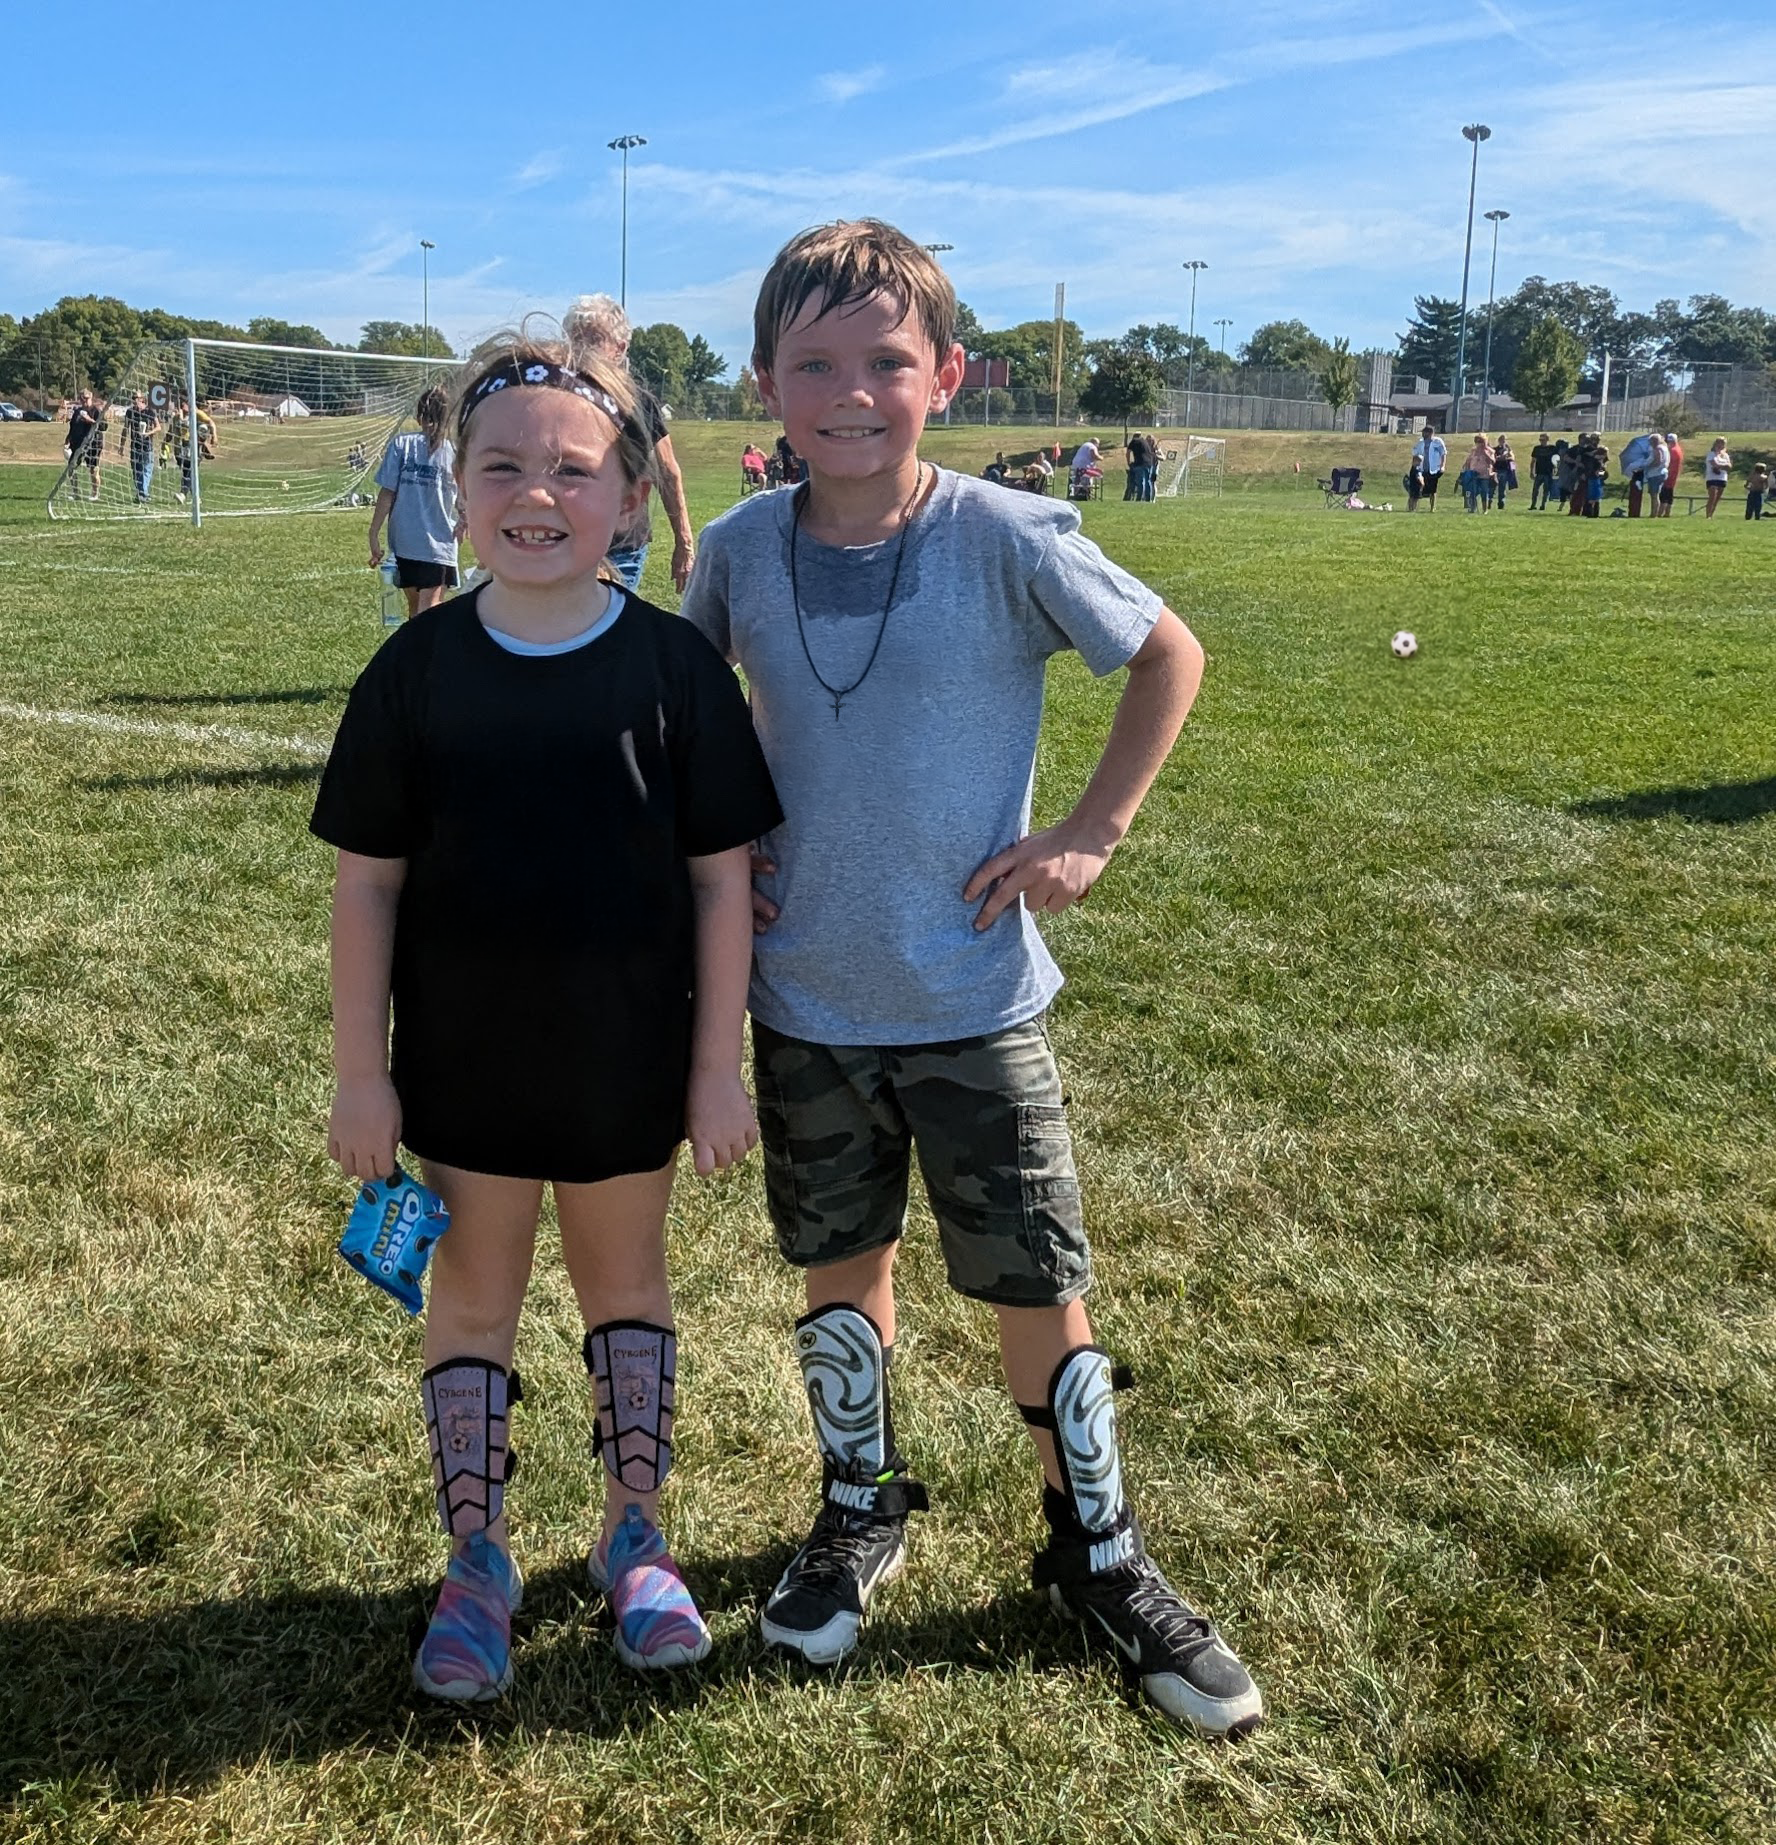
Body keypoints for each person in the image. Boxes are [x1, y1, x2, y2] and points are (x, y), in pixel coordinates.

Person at [680, 218, 1264, 1740]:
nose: (850, 391)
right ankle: (859, 1501)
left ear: (947, 375)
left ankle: (1100, 1551)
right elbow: (696, 717)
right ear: (766, 384)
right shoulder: (739, 551)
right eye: (814, 364)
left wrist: (1093, 830)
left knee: (1035, 1281)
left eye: (886, 360)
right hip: (803, 999)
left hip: (973, 998)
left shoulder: (1007, 532)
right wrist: (721, 844)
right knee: (839, 1270)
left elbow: (1168, 653)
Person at [311, 330, 783, 1703]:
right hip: (459, 1075)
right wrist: (361, 1075)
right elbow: (368, 891)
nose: (536, 493)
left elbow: (718, 886)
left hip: (629, 1067)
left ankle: (636, 1536)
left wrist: (716, 1070)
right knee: (472, 1297)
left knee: (627, 1289)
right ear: (452, 482)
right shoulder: (413, 675)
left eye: (573, 470)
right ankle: (479, 1560)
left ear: (629, 497)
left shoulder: (676, 673)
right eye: (501, 463)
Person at [563, 294, 698, 594]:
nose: (582, 348)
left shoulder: (638, 403)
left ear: (619, 348)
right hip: (566, 536)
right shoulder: (556, 398)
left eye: (594, 339)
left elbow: (668, 472)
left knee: (603, 627)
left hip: (621, 545)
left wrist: (684, 543)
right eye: (575, 339)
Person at [370, 386, 462, 619]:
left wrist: (374, 533)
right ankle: (424, 655)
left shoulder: (404, 444)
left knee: (418, 612)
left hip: (407, 541)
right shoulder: (452, 451)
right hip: (436, 544)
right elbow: (467, 495)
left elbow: (387, 493)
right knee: (426, 611)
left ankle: (417, 654)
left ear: (418, 415)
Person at [59, 389, 106, 501]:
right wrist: (68, 439)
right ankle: (75, 493)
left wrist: (90, 420)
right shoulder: (77, 411)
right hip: (78, 443)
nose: (84, 400)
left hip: (93, 444)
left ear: (91, 398)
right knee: (71, 467)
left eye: (86, 398)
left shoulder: (97, 411)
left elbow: (104, 427)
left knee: (93, 470)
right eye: (81, 398)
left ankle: (95, 494)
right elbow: (73, 426)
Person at [120, 390, 159, 502]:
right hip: (135, 445)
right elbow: (125, 429)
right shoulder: (130, 412)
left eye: (137, 397)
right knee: (136, 471)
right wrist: (121, 446)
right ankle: (141, 493)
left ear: (143, 399)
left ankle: (143, 493)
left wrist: (148, 433)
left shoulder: (150, 412)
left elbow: (158, 427)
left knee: (147, 469)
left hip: (147, 445)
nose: (135, 400)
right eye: (133, 398)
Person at [1410, 423, 1445, 511]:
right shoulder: (1420, 442)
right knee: (1418, 488)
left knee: (1433, 490)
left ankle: (1432, 508)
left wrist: (1442, 466)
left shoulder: (1437, 441)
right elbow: (1414, 453)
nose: (1423, 435)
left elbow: (1443, 454)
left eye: (1424, 433)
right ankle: (1413, 507)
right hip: (1422, 469)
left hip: (1433, 468)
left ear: (1430, 433)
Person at [1462, 436, 1494, 512]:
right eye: (1477, 442)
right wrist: (1466, 469)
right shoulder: (1473, 451)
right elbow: (1468, 461)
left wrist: (1486, 454)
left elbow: (1492, 461)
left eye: (1481, 442)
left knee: (1484, 492)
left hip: (1484, 475)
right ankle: (1473, 508)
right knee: (1472, 492)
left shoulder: (1490, 451)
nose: (1479, 444)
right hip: (1473, 474)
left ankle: (1484, 510)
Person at [1656, 433, 1683, 518]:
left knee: (1664, 494)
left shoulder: (1672, 450)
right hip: (1674, 475)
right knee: (1669, 494)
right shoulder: (1678, 449)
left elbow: (1668, 462)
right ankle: (1667, 512)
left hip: (1669, 474)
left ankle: (1660, 512)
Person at [1703, 439, 1731, 518]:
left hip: (1722, 478)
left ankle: (1711, 514)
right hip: (1712, 478)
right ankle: (1707, 515)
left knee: (1717, 498)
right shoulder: (1711, 454)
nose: (1720, 445)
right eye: (1719, 443)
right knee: (1712, 497)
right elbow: (1714, 464)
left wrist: (1721, 467)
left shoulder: (1725, 455)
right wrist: (1723, 466)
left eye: (1723, 444)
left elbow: (1729, 466)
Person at [1528, 433, 1555, 510]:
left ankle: (1543, 505)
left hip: (1548, 472)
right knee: (1535, 490)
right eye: (1540, 440)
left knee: (1546, 490)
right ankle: (1533, 505)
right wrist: (1531, 471)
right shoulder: (1536, 448)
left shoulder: (1552, 448)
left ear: (1547, 439)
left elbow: (1557, 458)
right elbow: (1533, 461)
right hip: (1539, 472)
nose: (1541, 441)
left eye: (1543, 439)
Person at [1493, 436, 1516, 509]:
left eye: (1504, 440)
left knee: (1502, 488)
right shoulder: (1495, 449)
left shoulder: (1508, 449)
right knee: (1492, 487)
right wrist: (1502, 457)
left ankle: (1501, 503)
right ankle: (1489, 502)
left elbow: (1512, 458)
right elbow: (1494, 458)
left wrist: (1504, 457)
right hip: (1496, 470)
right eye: (1501, 440)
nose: (1503, 441)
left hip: (1505, 470)